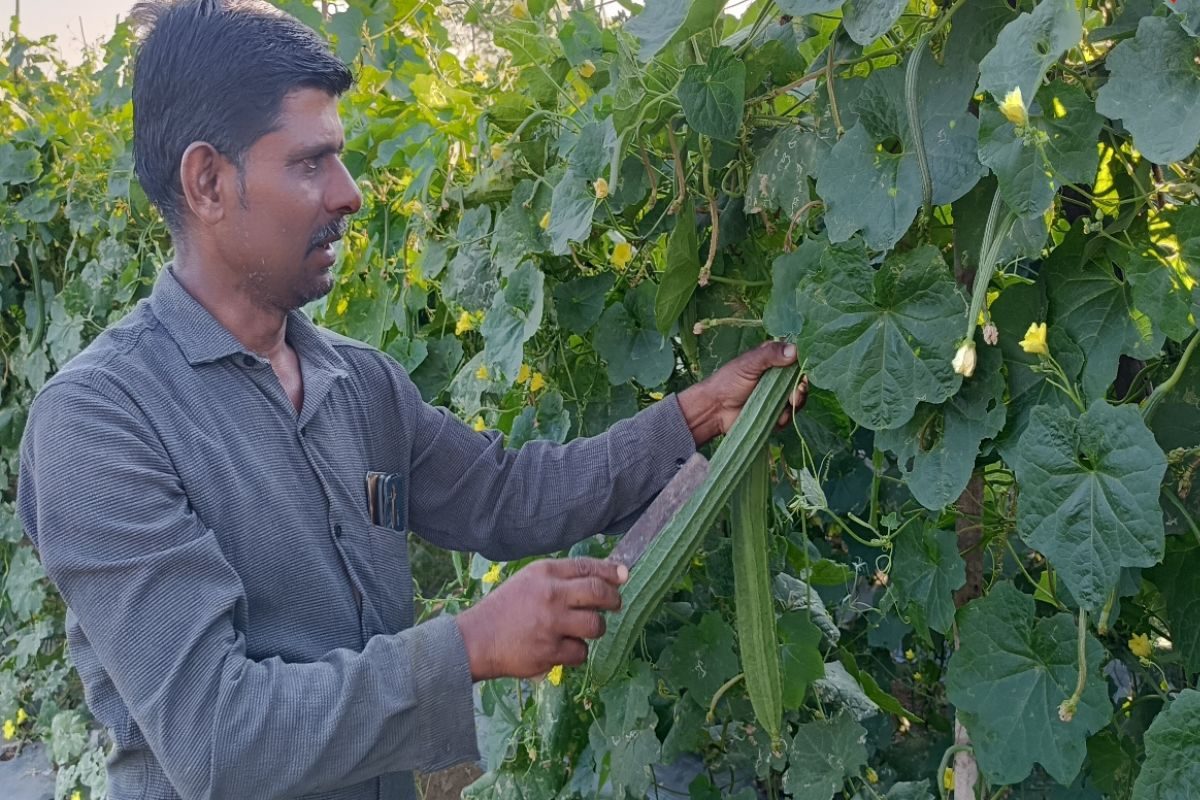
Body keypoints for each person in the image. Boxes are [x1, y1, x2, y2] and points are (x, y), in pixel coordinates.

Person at [15, 1, 806, 798]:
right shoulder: (100, 422)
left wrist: (697, 415)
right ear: (209, 182)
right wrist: (467, 646)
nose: (350, 194)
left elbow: (508, 496)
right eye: (309, 163)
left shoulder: (361, 386)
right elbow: (216, 738)